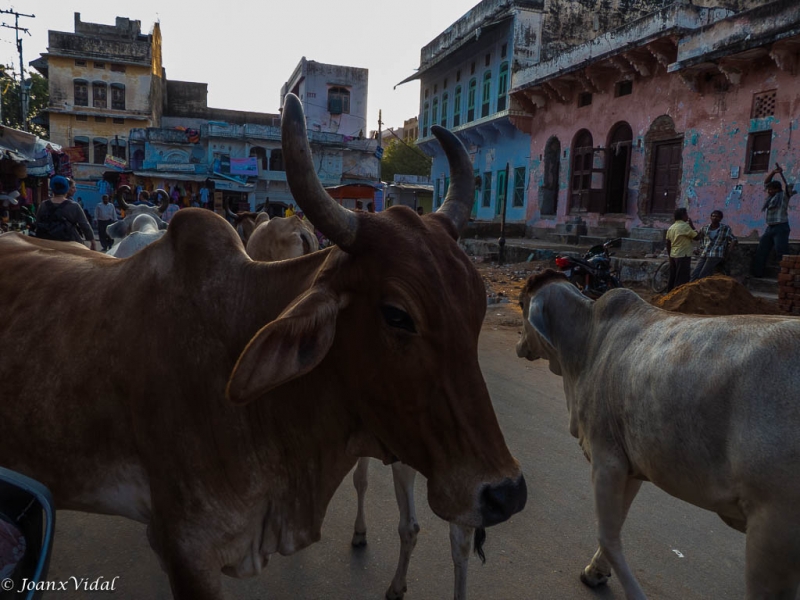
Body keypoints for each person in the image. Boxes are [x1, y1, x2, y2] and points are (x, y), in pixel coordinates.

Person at [752, 165, 796, 278]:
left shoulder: (784, 196)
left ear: (777, 189)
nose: (769, 191)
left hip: (781, 227)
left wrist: (781, 174)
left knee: (781, 251)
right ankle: (757, 274)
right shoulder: (770, 199)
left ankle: (786, 275)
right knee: (762, 250)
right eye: (769, 189)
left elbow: (788, 186)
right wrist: (773, 172)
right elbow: (766, 182)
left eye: (772, 189)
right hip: (770, 227)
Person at [35, 175, 96, 250]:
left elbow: (37, 223)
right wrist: (92, 241)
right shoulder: (74, 206)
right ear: (67, 188)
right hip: (70, 243)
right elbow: (84, 225)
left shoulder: (43, 205)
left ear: (52, 188)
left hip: (47, 243)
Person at [690, 209, 737, 281]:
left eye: (717, 216)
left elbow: (734, 239)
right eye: (713, 216)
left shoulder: (725, 228)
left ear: (721, 218)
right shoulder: (705, 228)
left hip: (716, 253)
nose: (715, 218)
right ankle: (691, 288)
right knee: (695, 273)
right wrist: (691, 226)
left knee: (703, 274)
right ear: (710, 217)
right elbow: (697, 237)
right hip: (705, 252)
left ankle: (700, 289)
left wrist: (728, 252)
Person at [665, 207, 697, 292]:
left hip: (674, 254)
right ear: (683, 216)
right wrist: (692, 226)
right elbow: (697, 237)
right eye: (686, 214)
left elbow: (668, 243)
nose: (687, 216)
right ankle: (678, 295)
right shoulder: (685, 226)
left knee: (673, 276)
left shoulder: (672, 227)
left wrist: (670, 256)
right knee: (682, 278)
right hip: (683, 255)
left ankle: (670, 294)